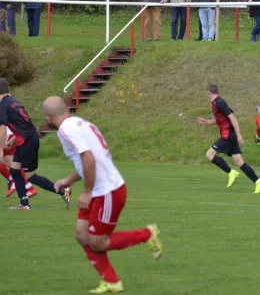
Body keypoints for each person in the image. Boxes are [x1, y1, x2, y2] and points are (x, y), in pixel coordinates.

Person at [42, 96, 163, 294]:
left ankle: (147, 234)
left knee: (98, 243)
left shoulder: (65, 130)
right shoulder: (80, 123)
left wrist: (88, 192)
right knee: (82, 235)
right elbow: (89, 160)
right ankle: (112, 282)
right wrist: (70, 180)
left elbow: (88, 158)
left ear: (47, 118)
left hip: (107, 191)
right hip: (101, 189)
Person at [0, 78, 71, 210]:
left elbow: (2, 129)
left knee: (30, 176)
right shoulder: (14, 102)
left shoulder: (3, 105)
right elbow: (24, 126)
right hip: (26, 140)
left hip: (28, 142)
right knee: (15, 170)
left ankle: (63, 190)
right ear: (8, 89)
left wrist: (0, 150)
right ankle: (24, 204)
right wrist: (11, 141)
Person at [198, 84, 260, 194]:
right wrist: (206, 122)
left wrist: (238, 134)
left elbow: (232, 117)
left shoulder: (219, 102)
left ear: (208, 92)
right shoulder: (216, 103)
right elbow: (220, 120)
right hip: (230, 135)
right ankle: (258, 181)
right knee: (239, 162)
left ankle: (231, 173)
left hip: (227, 135)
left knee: (209, 155)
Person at [1, 126, 37, 198]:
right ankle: (13, 180)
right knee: (9, 162)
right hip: (7, 134)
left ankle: (29, 187)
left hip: (6, 135)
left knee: (11, 163)